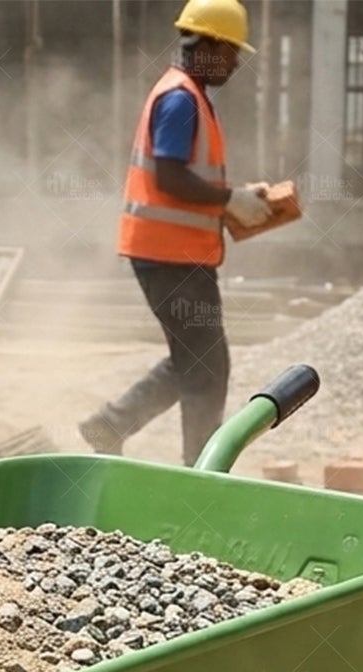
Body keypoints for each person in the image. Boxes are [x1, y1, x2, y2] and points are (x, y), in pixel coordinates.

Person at [79, 0, 276, 465]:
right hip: (170, 257)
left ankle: (111, 423)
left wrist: (237, 197)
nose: (234, 63)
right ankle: (200, 473)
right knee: (208, 367)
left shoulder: (187, 95)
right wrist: (229, 200)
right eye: (230, 52)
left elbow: (185, 182)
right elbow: (169, 177)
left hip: (172, 253)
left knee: (194, 359)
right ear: (207, 45)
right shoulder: (180, 99)